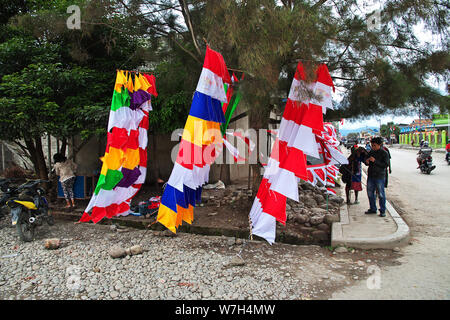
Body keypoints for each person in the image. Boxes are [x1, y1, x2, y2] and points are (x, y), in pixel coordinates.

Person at [364, 137, 389, 217]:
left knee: (381, 194)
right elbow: (366, 161)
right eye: (372, 145)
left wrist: (375, 161)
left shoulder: (384, 153)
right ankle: (373, 208)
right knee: (370, 193)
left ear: (379, 145)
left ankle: (382, 210)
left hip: (379, 176)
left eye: (374, 145)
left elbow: (385, 165)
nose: (373, 147)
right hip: (371, 175)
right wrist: (367, 161)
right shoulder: (371, 152)